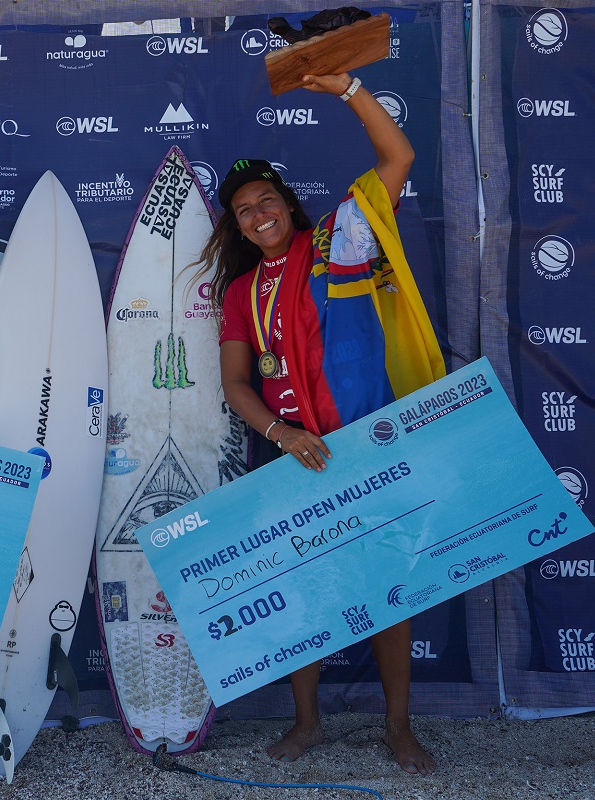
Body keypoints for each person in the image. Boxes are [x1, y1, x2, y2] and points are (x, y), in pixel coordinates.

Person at [197, 71, 445, 775]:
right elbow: (237, 385)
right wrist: (282, 436)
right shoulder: (242, 289)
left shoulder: (341, 240)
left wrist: (349, 89)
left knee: (389, 586)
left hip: (366, 446)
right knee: (300, 593)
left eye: (265, 200)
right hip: (289, 458)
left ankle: (399, 727)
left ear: (287, 204)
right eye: (242, 210)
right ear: (237, 224)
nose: (255, 215)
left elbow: (397, 160)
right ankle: (306, 723)